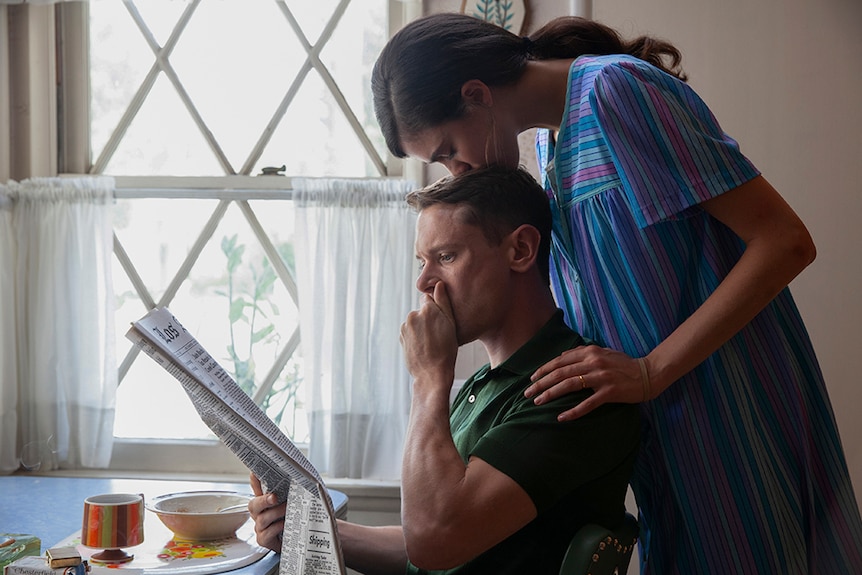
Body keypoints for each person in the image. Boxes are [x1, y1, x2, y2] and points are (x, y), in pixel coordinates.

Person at [370, 12, 862, 574]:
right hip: (664, 441)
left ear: (477, 95)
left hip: (731, 412)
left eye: (448, 149)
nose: (458, 171)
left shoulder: (614, 91)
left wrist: (650, 371)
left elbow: (786, 242)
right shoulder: (551, 149)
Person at [249, 166, 640, 574]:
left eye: (446, 257)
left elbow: (432, 539)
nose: (423, 282)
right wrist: (305, 528)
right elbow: (422, 546)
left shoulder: (571, 388)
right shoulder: (483, 386)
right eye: (422, 260)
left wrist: (428, 379)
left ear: (521, 250)